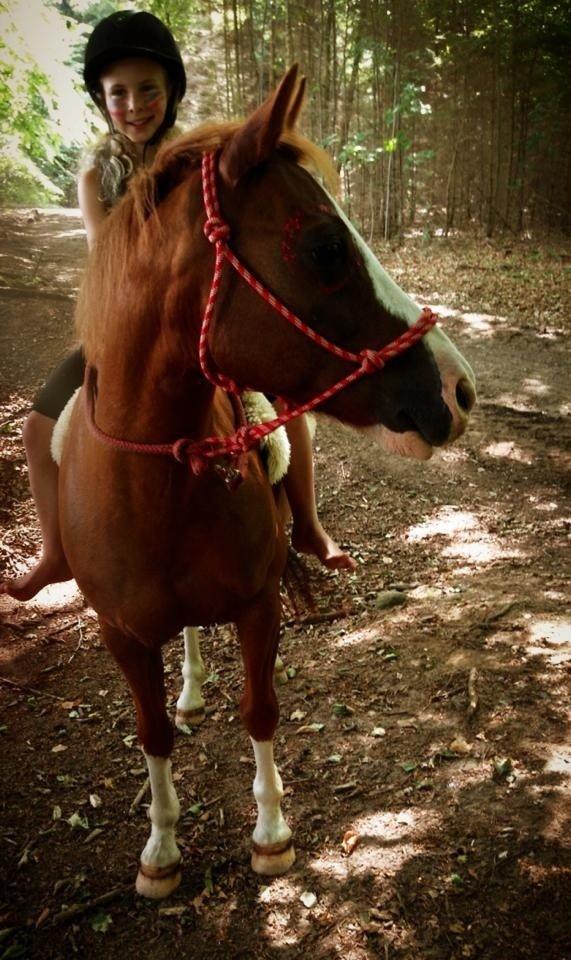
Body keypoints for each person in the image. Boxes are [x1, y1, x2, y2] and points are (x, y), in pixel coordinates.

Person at [1, 10, 354, 602]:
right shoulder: (95, 176)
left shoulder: (199, 162)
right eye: (119, 93)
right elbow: (102, 261)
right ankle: (57, 551)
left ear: (171, 94)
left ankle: (309, 529)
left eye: (149, 89)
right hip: (125, 328)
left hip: (202, 323)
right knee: (38, 432)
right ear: (100, 100)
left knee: (286, 410)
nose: (136, 104)